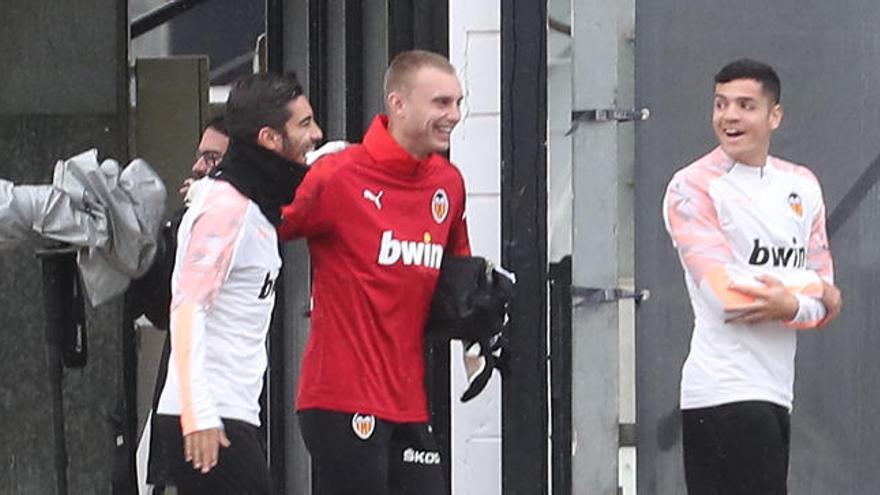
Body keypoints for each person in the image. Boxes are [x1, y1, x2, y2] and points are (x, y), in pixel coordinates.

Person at [277, 49, 470, 494]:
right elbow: (267, 224)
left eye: (459, 102)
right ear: (398, 103)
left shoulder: (448, 183)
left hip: (407, 400)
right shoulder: (338, 175)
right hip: (340, 397)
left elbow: (458, 274)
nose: (454, 115)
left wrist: (479, 333)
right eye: (441, 103)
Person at [662, 58, 842, 495]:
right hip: (723, 392)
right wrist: (813, 293)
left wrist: (802, 300)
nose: (730, 117)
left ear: (774, 115)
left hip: (777, 391)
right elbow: (730, 299)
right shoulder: (693, 186)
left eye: (745, 105)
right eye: (721, 104)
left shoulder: (802, 184)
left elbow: (825, 300)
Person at [149, 72, 323, 494]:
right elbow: (188, 306)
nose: (316, 134)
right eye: (304, 124)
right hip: (209, 414)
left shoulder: (253, 199)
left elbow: (327, 158)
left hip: (232, 411)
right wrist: (198, 412)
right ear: (268, 137)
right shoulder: (227, 206)